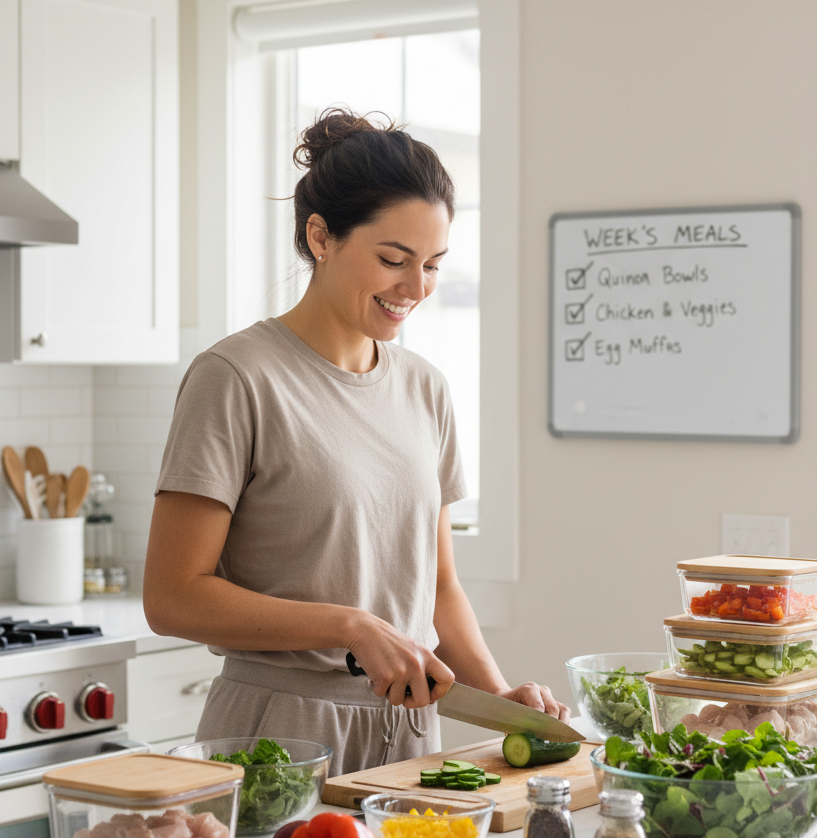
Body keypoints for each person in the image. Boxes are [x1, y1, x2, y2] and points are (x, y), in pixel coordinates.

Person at [144, 109, 569, 775]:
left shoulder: (425, 389)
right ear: (321, 237)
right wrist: (349, 626)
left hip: (408, 738)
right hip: (280, 738)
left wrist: (503, 696)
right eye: (394, 260)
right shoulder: (235, 378)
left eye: (432, 264)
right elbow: (172, 597)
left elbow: (439, 586)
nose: (416, 288)